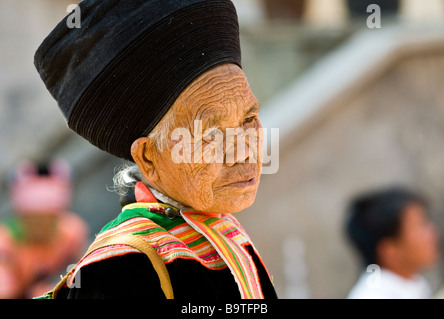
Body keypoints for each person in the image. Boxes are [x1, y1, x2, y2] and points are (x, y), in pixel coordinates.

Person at [33, 0, 277, 299]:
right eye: (210, 134)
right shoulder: (121, 268)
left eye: (249, 118)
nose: (243, 150)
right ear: (149, 157)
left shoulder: (224, 234)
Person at [0, 160, 87, 299]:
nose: (41, 225)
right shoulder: (5, 243)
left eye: (49, 218)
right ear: (22, 217)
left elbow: (79, 274)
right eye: (34, 218)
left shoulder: (72, 230)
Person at [345, 186, 440, 299]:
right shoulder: (372, 296)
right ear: (390, 251)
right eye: (420, 225)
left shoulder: (414, 283)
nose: (432, 232)